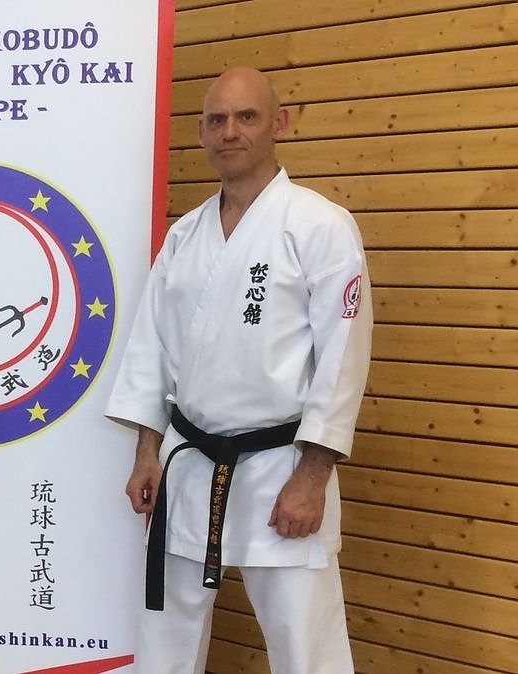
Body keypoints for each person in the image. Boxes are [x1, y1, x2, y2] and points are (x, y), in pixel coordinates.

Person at [105, 67, 372, 673]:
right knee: (163, 639)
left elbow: (342, 360)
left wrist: (312, 478)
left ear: (279, 124)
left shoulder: (321, 227)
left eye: (246, 117)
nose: (230, 132)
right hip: (187, 462)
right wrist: (147, 452)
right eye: (217, 120)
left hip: (282, 466)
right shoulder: (184, 235)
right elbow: (151, 348)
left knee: (306, 644)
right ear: (201, 132)